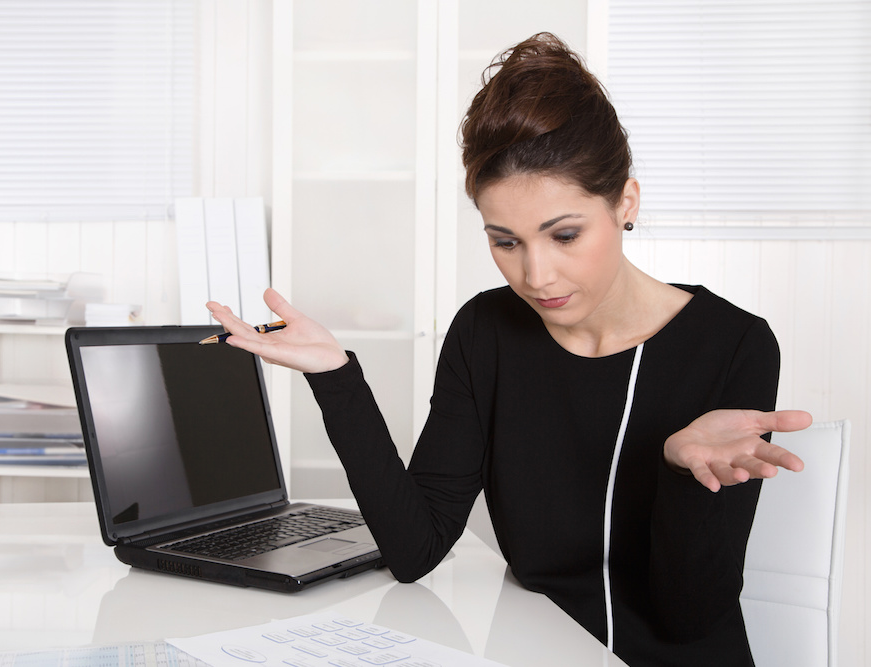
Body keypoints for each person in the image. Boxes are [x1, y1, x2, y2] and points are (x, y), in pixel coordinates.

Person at [207, 32, 811, 667]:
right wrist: (336, 377)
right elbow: (416, 551)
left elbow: (690, 619)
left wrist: (686, 474)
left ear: (625, 203)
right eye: (506, 241)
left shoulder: (733, 342)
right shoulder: (486, 333)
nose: (537, 275)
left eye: (565, 235)